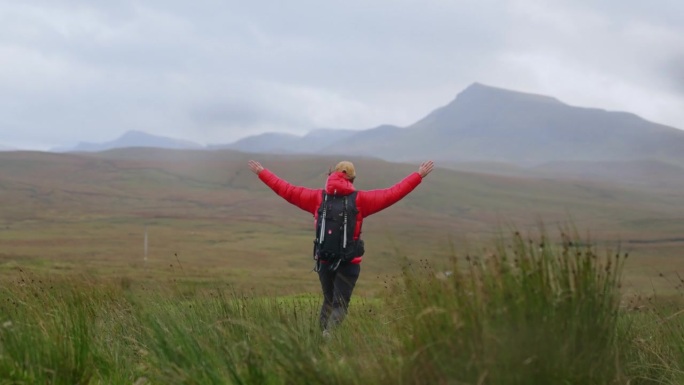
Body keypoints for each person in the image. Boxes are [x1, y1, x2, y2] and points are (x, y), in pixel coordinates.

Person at [248, 159, 434, 333]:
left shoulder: (317, 198)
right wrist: (418, 176)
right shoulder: (360, 200)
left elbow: (286, 190)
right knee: (340, 304)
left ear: (332, 174)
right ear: (352, 179)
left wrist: (262, 173)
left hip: (324, 260)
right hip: (349, 261)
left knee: (328, 301)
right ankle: (330, 337)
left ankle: (321, 340)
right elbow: (393, 193)